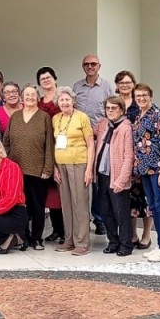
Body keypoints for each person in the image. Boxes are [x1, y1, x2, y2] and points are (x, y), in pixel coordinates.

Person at [3, 84, 55, 250]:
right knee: (21, 206)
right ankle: (23, 237)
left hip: (38, 170)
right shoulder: (16, 117)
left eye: (33, 95)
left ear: (37, 97)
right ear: (22, 97)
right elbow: (6, 142)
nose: (30, 98)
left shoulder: (44, 117)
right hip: (17, 171)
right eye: (27, 95)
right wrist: (8, 164)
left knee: (38, 206)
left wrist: (48, 168)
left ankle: (37, 238)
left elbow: (49, 145)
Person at [72, 54, 113, 236]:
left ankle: (99, 219)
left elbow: (111, 111)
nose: (90, 67)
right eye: (86, 64)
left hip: (98, 139)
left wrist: (101, 129)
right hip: (78, 140)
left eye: (93, 64)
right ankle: (81, 219)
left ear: (99, 66)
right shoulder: (76, 87)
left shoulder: (107, 87)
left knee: (97, 182)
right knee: (80, 180)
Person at [132, 83, 160, 262]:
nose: (141, 98)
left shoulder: (158, 115)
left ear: (151, 96)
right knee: (153, 207)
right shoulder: (138, 116)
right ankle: (159, 246)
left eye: (144, 95)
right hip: (144, 170)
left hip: (157, 169)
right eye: (138, 96)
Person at [53, 87, 94, 256]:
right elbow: (54, 142)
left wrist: (89, 169)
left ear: (73, 101)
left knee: (80, 204)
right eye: (61, 100)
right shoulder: (56, 118)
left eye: (67, 100)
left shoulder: (82, 117)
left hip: (78, 162)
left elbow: (91, 143)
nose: (64, 103)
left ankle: (82, 242)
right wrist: (54, 167)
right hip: (61, 164)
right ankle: (69, 239)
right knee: (66, 203)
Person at [115, 70, 151, 249]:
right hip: (122, 160)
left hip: (141, 159)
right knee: (128, 199)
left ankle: (146, 234)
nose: (125, 85)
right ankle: (133, 234)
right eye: (121, 83)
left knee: (144, 198)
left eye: (128, 82)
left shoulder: (140, 103)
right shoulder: (115, 104)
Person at [94, 96, 135, 256]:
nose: (110, 111)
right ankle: (113, 241)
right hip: (102, 175)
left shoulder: (126, 128)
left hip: (117, 177)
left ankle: (126, 244)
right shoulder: (104, 124)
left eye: (114, 108)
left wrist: (122, 180)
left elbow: (128, 157)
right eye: (108, 108)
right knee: (105, 211)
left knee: (121, 213)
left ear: (122, 110)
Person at [36, 67, 63, 243]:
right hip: (44, 149)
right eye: (42, 79)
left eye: (48, 77)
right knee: (50, 193)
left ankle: (66, 230)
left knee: (62, 191)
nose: (46, 81)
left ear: (55, 79)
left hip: (61, 148)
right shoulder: (38, 102)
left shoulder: (62, 97)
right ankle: (56, 229)